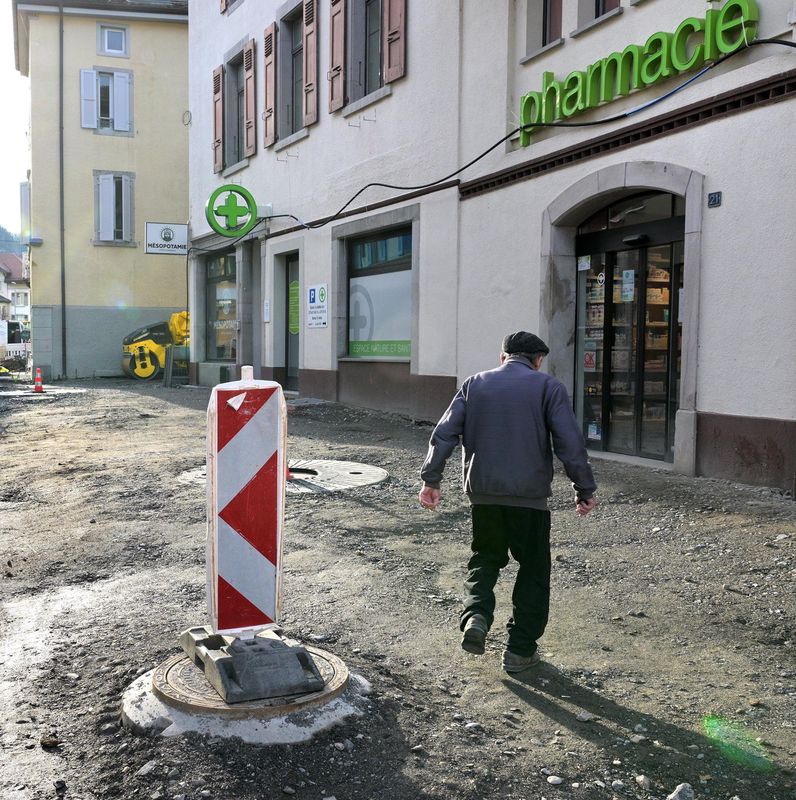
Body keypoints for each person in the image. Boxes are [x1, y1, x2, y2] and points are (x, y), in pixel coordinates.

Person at [418, 331, 598, 673]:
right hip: (529, 499)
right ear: (538, 361)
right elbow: (569, 443)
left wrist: (431, 479)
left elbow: (444, 433)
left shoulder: (474, 384)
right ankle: (519, 650)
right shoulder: (548, 387)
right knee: (533, 570)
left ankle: (476, 616)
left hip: (483, 496)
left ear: (503, 357)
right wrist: (584, 489)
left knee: (485, 558)